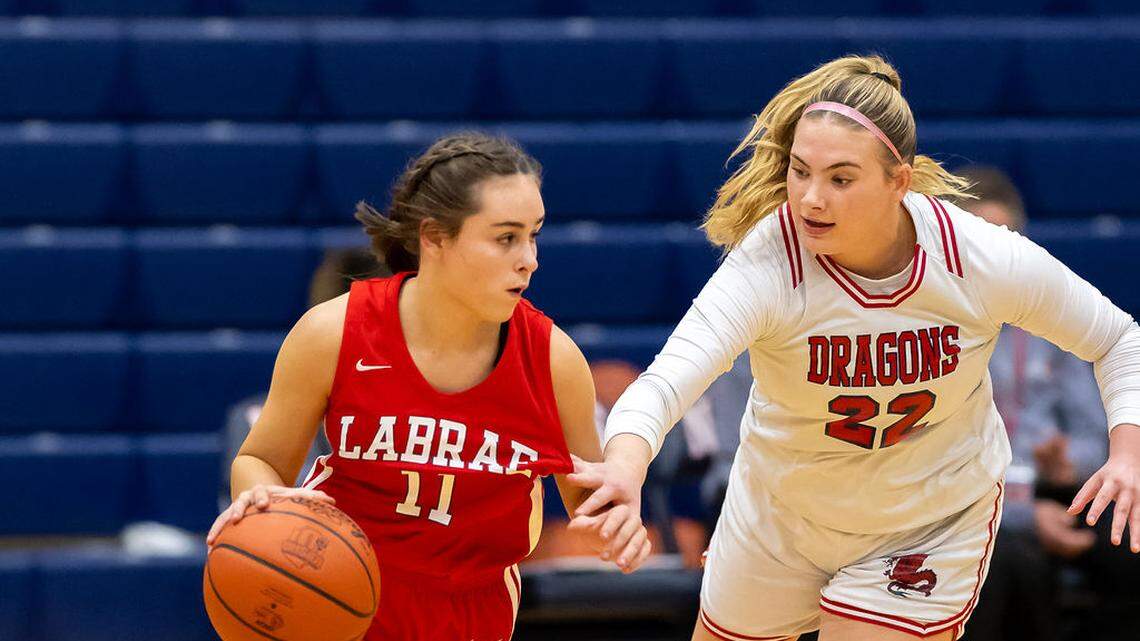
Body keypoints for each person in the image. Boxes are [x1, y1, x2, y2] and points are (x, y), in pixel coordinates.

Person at [567, 55, 1140, 641]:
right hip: (782, 512)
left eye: (841, 178)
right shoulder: (770, 262)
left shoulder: (977, 256)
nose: (812, 198)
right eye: (800, 171)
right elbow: (667, 381)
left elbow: (1120, 338)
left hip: (928, 519)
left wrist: (1127, 452)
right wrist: (626, 466)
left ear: (900, 182)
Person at [205, 132, 650, 641]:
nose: (529, 258)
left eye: (534, 234)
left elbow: (589, 503)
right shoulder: (332, 333)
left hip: (476, 611)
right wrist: (264, 506)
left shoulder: (553, 359)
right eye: (506, 237)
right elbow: (258, 458)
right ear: (435, 237)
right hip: (344, 590)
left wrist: (618, 526)